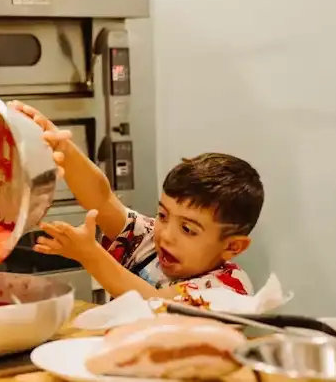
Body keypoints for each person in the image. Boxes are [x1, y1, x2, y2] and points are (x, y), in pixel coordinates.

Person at [17, 103, 264, 300]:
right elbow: (102, 200)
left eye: (188, 229)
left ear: (233, 246)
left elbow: (155, 305)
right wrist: (65, 152)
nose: (166, 235)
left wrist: (91, 256)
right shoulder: (148, 243)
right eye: (163, 215)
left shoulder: (229, 290)